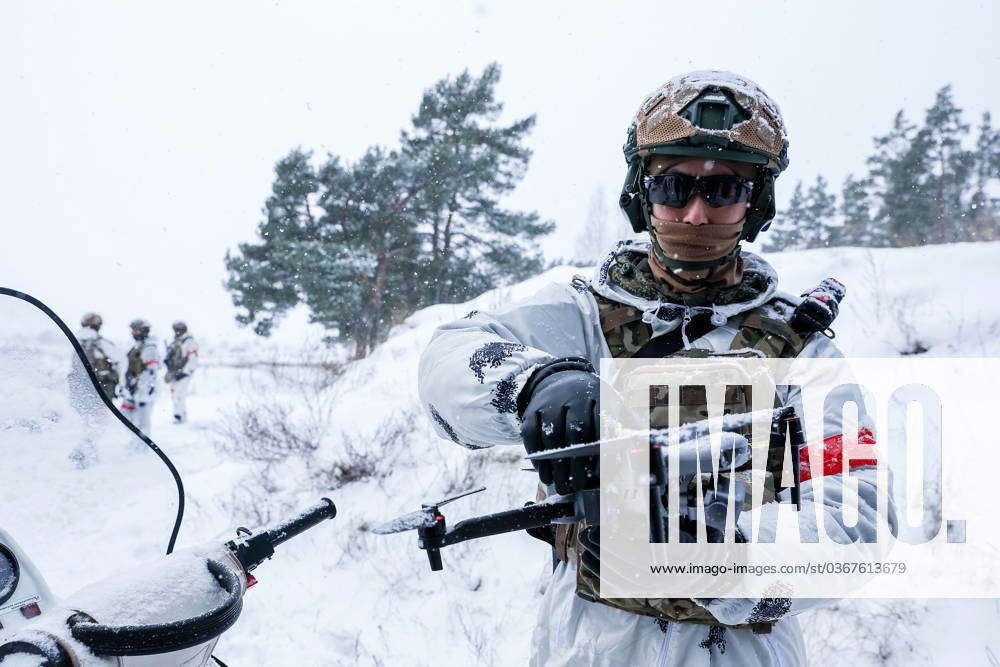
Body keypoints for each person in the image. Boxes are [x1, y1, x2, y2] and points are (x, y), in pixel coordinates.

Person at [418, 71, 891, 666]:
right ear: (643, 192)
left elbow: (862, 517)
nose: (696, 214)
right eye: (673, 186)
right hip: (591, 642)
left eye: (722, 191)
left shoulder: (802, 354)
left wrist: (728, 557)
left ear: (756, 202)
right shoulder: (581, 315)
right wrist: (532, 383)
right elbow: (446, 362)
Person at [66, 312, 120, 467]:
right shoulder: (104, 345)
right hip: (99, 395)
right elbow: (117, 366)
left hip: (80, 393)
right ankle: (87, 454)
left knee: (84, 424)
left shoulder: (77, 344)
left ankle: (83, 452)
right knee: (96, 427)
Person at [121, 318, 159, 435]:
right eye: (133, 330)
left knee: (143, 421)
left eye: (136, 330)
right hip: (132, 388)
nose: (133, 333)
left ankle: (142, 446)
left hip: (144, 390)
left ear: (144, 331)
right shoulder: (136, 346)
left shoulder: (150, 348)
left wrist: (141, 387)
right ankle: (133, 441)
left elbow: (150, 371)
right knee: (126, 415)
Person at [164, 320, 198, 424]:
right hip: (175, 372)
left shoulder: (190, 342)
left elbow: (193, 359)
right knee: (174, 394)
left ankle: (179, 416)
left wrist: (185, 372)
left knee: (179, 394)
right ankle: (181, 415)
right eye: (175, 329)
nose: (177, 331)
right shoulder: (175, 342)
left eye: (178, 329)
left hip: (184, 373)